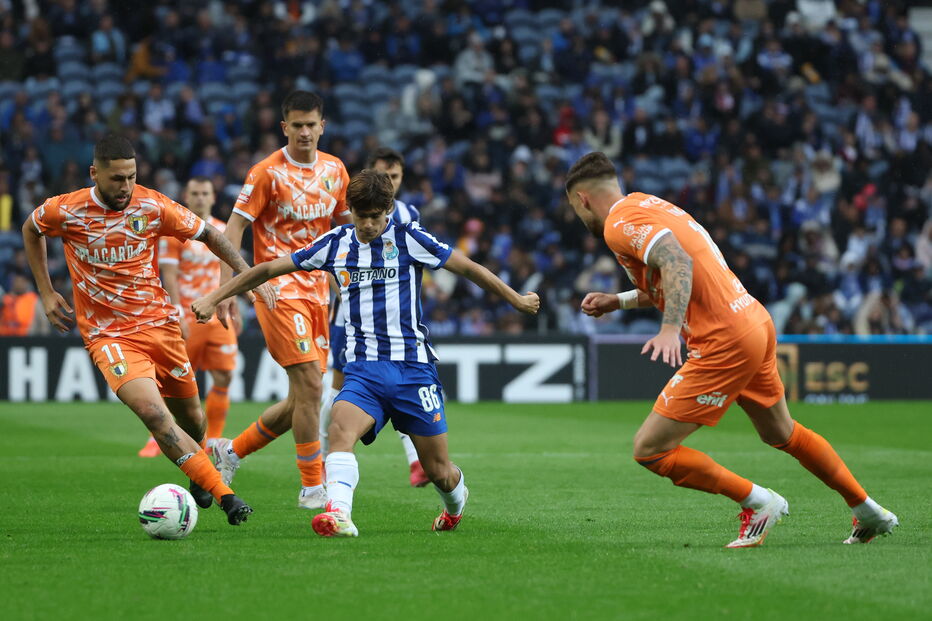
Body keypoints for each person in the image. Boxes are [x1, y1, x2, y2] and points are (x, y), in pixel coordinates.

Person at [566, 152, 897, 547]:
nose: (579, 218)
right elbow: (678, 277)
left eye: (575, 209)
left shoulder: (619, 225)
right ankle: (868, 510)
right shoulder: (648, 204)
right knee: (782, 432)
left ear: (583, 199)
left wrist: (670, 328)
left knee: (651, 449)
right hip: (753, 320)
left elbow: (678, 263)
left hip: (723, 340)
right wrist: (616, 301)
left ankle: (758, 503)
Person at [192, 169, 540, 537]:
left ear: (389, 209)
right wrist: (216, 296)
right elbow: (268, 268)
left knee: (439, 470)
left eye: (377, 216)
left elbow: (467, 267)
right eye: (362, 216)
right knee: (340, 428)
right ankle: (339, 514)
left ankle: (456, 503)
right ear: (350, 211)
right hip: (364, 371)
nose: (370, 224)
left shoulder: (409, 238)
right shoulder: (335, 243)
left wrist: (515, 299)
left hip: (413, 370)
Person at [21, 134, 267, 525]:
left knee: (193, 418)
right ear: (94, 173)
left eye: (132, 177)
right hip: (109, 335)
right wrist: (47, 292)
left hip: (161, 327)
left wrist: (244, 275)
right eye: (117, 178)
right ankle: (225, 494)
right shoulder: (66, 210)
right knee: (154, 414)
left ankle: (199, 466)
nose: (126, 187)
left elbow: (212, 234)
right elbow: (30, 229)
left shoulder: (152, 205)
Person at [211, 91, 351, 511]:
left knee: (302, 400)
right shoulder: (266, 173)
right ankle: (313, 487)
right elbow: (231, 231)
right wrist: (229, 290)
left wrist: (345, 280)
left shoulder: (336, 170)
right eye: (297, 124)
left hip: (318, 293)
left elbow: (345, 229)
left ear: (322, 126)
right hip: (275, 289)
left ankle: (229, 453)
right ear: (284, 127)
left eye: (312, 124)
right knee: (312, 385)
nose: (305, 132)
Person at [319, 146, 428, 487]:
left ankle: (415, 462)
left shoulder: (409, 215)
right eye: (385, 176)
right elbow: (331, 258)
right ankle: (325, 458)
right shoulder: (348, 214)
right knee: (338, 390)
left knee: (400, 385)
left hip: (394, 324)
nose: (391, 182)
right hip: (348, 321)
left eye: (395, 177)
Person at [138, 177, 240, 458]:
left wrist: (233, 305)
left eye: (205, 193)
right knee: (176, 378)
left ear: (213, 197)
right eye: (194, 193)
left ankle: (214, 439)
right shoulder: (175, 234)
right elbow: (168, 275)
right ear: (187, 195)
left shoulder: (221, 231)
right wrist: (177, 311)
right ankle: (156, 437)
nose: (199, 198)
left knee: (224, 375)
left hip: (218, 312)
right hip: (188, 313)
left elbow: (228, 273)